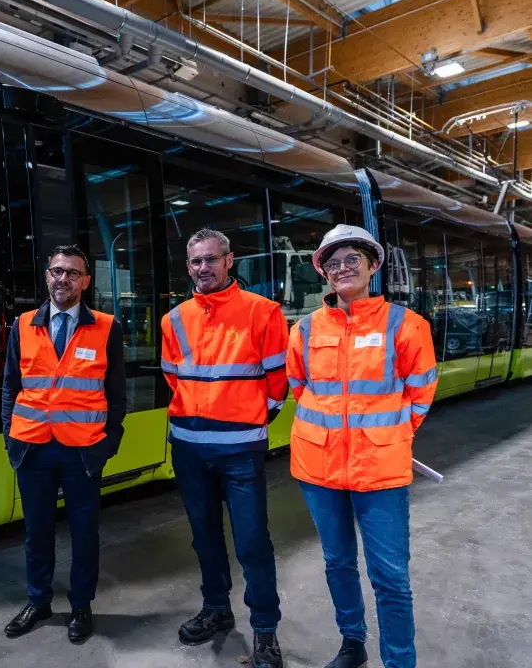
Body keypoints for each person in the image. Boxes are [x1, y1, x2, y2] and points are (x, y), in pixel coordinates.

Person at [286, 224, 437, 668]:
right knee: (338, 563)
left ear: (373, 266)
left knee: (391, 577)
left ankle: (399, 661)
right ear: (323, 273)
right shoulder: (305, 329)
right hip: (318, 467)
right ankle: (352, 643)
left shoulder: (406, 325)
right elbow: (300, 388)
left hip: (380, 470)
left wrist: (384, 437)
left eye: (352, 259)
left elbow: (420, 394)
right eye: (332, 263)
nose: (342, 268)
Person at [161, 228, 289, 668]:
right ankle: (216, 608)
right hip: (189, 449)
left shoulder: (263, 312)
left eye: (212, 259)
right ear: (188, 266)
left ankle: (265, 630)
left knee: (252, 542)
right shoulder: (174, 319)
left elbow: (278, 383)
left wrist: (246, 418)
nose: (204, 268)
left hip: (240, 452)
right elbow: (173, 378)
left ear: (229, 260)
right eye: (196, 261)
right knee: (205, 537)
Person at [1, 244, 127, 643]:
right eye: (57, 271)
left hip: (82, 450)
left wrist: (108, 442)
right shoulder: (23, 325)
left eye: (73, 273)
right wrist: (10, 437)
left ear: (85, 281)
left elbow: (117, 394)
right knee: (36, 532)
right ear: (47, 276)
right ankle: (38, 601)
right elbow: (10, 387)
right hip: (32, 447)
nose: (63, 279)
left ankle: (81, 606)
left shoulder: (106, 327)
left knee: (84, 533)